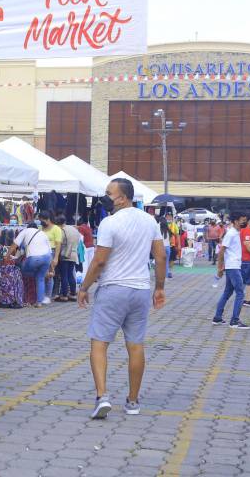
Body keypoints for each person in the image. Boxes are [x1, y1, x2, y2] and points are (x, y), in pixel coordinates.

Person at [77, 178, 166, 419]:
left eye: (109, 193)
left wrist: (84, 287)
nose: (105, 197)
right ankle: (133, 401)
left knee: (99, 342)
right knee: (135, 345)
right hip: (140, 290)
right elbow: (160, 257)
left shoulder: (109, 223)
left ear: (123, 197)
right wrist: (159, 287)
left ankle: (102, 397)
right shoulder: (150, 221)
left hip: (113, 289)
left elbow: (100, 260)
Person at [212, 211, 250, 330]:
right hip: (233, 267)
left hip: (233, 266)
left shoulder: (236, 232)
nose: (244, 222)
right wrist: (219, 267)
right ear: (235, 221)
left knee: (228, 292)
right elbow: (222, 251)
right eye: (242, 220)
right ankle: (234, 321)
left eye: (245, 220)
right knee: (240, 293)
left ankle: (217, 318)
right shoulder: (231, 234)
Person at [9, 221, 52, 307]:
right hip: (47, 258)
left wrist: (7, 256)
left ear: (27, 227)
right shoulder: (43, 233)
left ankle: (24, 297)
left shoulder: (25, 231)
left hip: (33, 258)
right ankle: (39, 302)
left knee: (22, 271)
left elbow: (15, 244)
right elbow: (50, 250)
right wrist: (51, 268)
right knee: (40, 278)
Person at [54, 215, 81, 302]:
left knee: (64, 275)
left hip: (65, 254)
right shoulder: (74, 229)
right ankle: (73, 294)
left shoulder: (61, 230)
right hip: (74, 254)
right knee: (70, 274)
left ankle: (64, 295)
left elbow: (59, 243)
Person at [39, 210, 63, 304]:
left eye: (42, 220)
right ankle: (43, 295)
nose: (41, 222)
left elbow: (58, 244)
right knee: (42, 275)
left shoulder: (56, 229)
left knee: (49, 275)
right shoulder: (41, 228)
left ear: (48, 219)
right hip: (41, 252)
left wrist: (56, 257)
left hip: (51, 253)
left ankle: (47, 296)